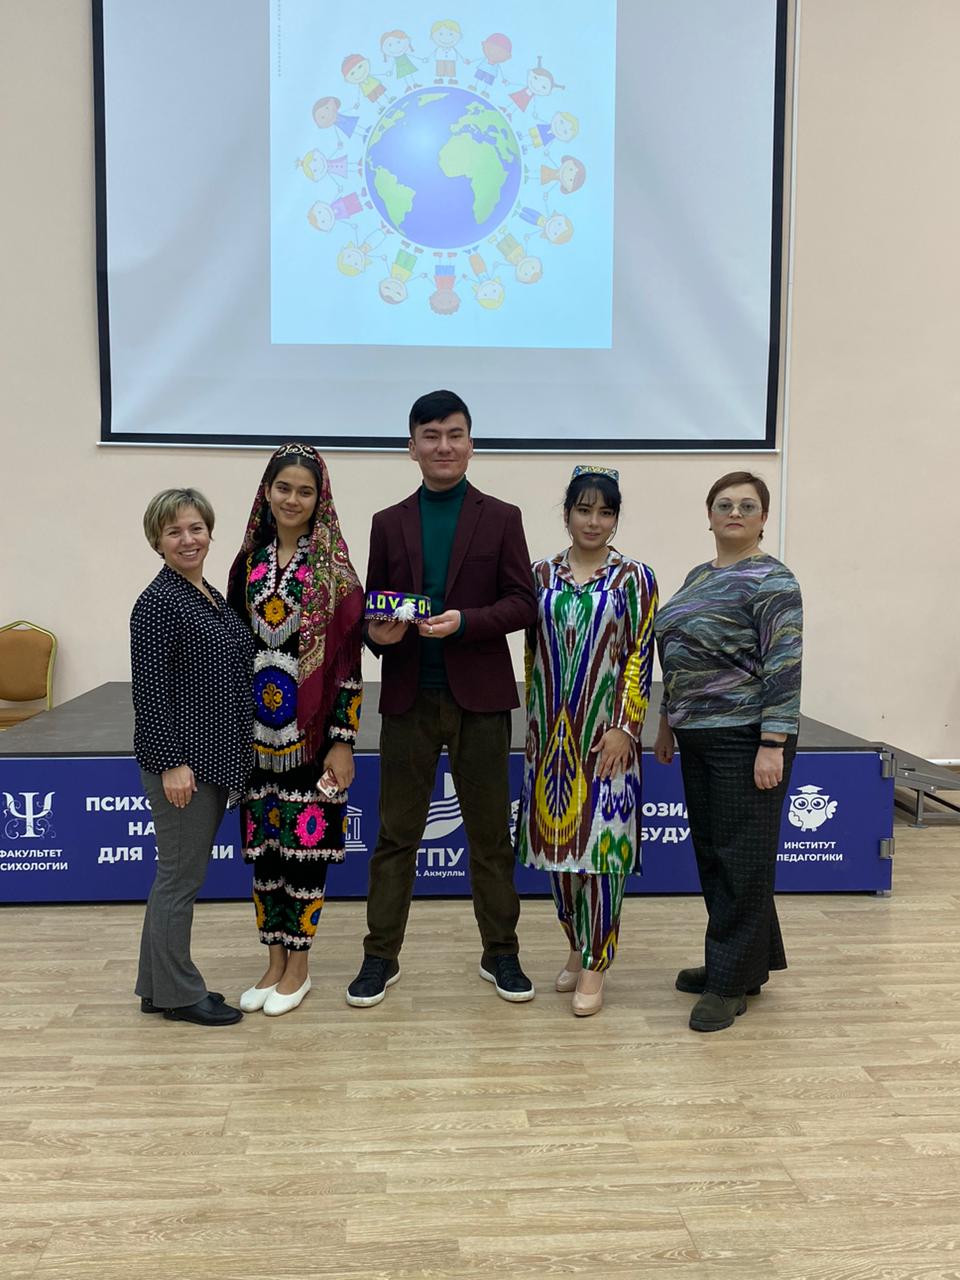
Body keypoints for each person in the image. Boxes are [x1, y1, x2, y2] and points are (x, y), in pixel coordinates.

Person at [346, 389, 537, 1007]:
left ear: (470, 443)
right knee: (395, 836)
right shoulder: (388, 522)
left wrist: (466, 622)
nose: (444, 446)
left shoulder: (501, 517)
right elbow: (375, 612)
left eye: (454, 434)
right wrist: (377, 635)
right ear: (412, 448)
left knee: (491, 837)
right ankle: (380, 957)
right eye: (431, 436)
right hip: (409, 699)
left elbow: (523, 603)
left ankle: (501, 952)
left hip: (481, 700)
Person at [654, 471, 802, 1033]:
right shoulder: (699, 576)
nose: (734, 512)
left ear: (763, 518)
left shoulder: (774, 580)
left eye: (746, 505)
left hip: (746, 737)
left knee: (742, 861)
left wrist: (772, 743)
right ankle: (744, 963)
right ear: (709, 516)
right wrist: (666, 722)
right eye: (723, 504)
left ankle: (728, 984)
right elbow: (677, 653)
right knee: (718, 857)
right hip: (696, 734)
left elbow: (784, 665)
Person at [227, 444, 364, 1016]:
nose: (292, 499)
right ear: (267, 491)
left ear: (319, 499)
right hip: (256, 737)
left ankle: (300, 968)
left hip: (313, 740)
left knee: (305, 850)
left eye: (304, 491)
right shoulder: (248, 565)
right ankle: (273, 961)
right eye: (283, 487)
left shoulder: (334, 573)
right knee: (265, 851)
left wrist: (343, 740)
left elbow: (348, 664)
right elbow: (233, 652)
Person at [515, 467, 657, 1016]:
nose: (593, 521)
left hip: (607, 739)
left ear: (615, 518)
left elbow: (640, 655)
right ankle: (575, 945)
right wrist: (536, 723)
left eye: (605, 511)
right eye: (584, 509)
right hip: (550, 739)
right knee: (557, 853)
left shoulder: (634, 578)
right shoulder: (540, 573)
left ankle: (597, 964)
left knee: (601, 855)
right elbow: (531, 654)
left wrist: (626, 727)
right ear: (567, 513)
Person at [131, 488, 253, 1027]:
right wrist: (172, 764)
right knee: (180, 880)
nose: (188, 539)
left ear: (209, 532)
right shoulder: (158, 602)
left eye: (196, 528)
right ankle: (180, 994)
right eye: (174, 531)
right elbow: (150, 692)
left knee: (175, 877)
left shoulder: (208, 595)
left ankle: (155, 987)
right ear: (157, 541)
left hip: (212, 758)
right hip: (184, 765)